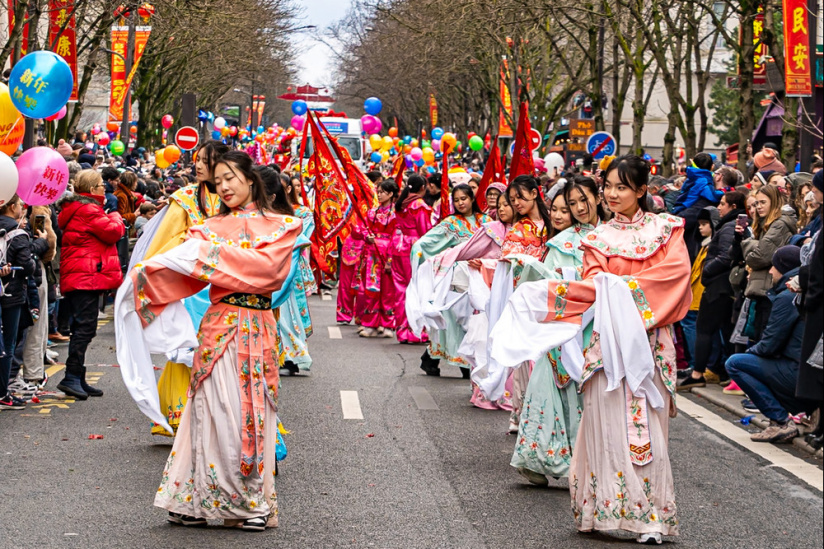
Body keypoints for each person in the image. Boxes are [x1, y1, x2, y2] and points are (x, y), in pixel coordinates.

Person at [490, 155, 691, 544]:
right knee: (606, 424)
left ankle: (648, 514)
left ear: (641, 190)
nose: (612, 195)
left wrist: (619, 289)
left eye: (622, 187)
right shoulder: (595, 240)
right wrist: (548, 296)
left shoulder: (668, 229)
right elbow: (594, 283)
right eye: (609, 187)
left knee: (649, 427)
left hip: (650, 344)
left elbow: (674, 277)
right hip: (608, 344)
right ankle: (603, 511)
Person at [116, 150, 301, 531]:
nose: (224, 186)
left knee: (248, 410)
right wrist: (144, 281)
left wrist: (209, 257)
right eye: (217, 181)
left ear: (250, 178)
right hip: (219, 325)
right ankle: (195, 500)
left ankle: (250, 502)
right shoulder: (206, 229)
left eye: (230, 177)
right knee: (209, 409)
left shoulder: (284, 226)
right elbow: (184, 272)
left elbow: (269, 274)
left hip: (257, 324)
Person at [512, 176, 606, 485]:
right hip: (562, 328)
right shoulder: (561, 243)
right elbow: (544, 286)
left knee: (587, 397)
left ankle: (583, 464)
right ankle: (538, 459)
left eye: (583, 201)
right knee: (545, 386)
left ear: (598, 197)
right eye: (570, 204)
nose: (578, 209)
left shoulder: (614, 239)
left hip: (599, 329)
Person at [136, 140, 229, 436]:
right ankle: (180, 413)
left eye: (206, 160)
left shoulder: (238, 199)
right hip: (192, 288)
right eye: (197, 159)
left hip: (228, 286)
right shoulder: (186, 199)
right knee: (187, 347)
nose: (198, 165)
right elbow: (163, 244)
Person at [726, 246, 815, 442]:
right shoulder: (802, 291)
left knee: (735, 363)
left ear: (783, 268)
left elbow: (769, 345)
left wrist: (750, 352)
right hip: (806, 370)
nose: (770, 271)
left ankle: (781, 421)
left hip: (797, 371)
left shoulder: (787, 296)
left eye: (773, 267)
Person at [54, 171, 125, 400]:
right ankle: (71, 376)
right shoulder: (88, 210)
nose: (104, 188)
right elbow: (114, 232)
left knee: (82, 326)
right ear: (92, 188)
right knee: (85, 327)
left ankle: (77, 375)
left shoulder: (77, 208)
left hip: (81, 275)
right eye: (101, 185)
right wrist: (115, 215)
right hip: (85, 276)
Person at [414, 184, 491, 376]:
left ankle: (435, 360)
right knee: (457, 320)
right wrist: (418, 252)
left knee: (473, 320)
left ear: (472, 199)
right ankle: (463, 365)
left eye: (464, 198)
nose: (460, 203)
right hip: (457, 280)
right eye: (456, 200)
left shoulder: (486, 221)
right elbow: (427, 242)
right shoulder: (451, 223)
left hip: (481, 276)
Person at [679, 192, 748, 391]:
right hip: (724, 287)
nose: (719, 207)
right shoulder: (730, 225)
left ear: (733, 207)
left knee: (704, 329)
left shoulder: (728, 227)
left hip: (718, 287)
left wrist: (707, 270)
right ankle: (725, 372)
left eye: (723, 203)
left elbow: (727, 256)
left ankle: (697, 373)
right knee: (726, 331)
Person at [0, 196, 49, 410]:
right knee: (8, 345)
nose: (23, 209)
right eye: (20, 205)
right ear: (12, 207)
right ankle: (3, 391)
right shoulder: (18, 233)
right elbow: (27, 266)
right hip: (12, 294)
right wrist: (41, 243)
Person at [735, 185, 796, 342]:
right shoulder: (765, 224)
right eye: (756, 203)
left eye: (763, 202)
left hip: (769, 288)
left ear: (774, 202)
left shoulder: (779, 224)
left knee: (762, 336)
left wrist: (748, 243)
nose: (758, 207)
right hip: (762, 288)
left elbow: (758, 257)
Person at [391, 175, 434, 344]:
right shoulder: (419, 205)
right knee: (417, 290)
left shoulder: (401, 203)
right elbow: (425, 230)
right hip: (415, 249)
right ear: (423, 187)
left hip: (397, 246)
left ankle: (402, 331)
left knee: (400, 290)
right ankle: (416, 331)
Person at [358, 180, 399, 338]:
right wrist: (366, 236)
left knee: (388, 292)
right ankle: (371, 323)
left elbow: (396, 236)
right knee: (371, 290)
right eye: (378, 191)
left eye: (383, 192)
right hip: (372, 256)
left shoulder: (396, 214)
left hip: (388, 254)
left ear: (390, 194)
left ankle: (388, 324)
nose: (379, 194)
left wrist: (390, 259)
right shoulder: (371, 212)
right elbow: (363, 229)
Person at [673, 153, 723, 261]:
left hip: (682, 206)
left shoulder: (691, 176)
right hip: (690, 211)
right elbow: (710, 195)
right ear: (712, 167)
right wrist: (722, 193)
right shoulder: (704, 180)